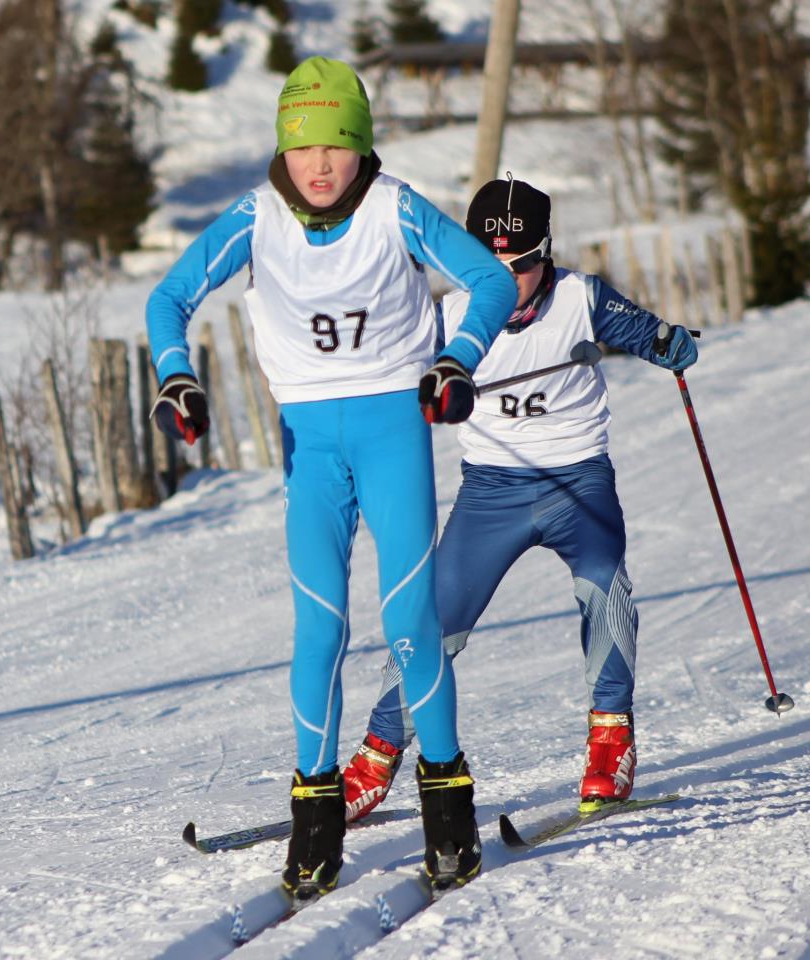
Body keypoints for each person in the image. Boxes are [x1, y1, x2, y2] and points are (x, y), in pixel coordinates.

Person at [145, 58, 518, 897]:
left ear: (361, 147)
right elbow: (167, 298)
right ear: (284, 145)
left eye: (338, 146)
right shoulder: (254, 218)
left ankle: (449, 817)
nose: (319, 165)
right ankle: (315, 831)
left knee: (411, 618)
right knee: (318, 630)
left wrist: (458, 358)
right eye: (304, 145)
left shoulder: (395, 208)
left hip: (393, 428)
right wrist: (176, 374)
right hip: (309, 441)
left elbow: (490, 278)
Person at [343, 173, 699, 822]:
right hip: (491, 493)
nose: (509, 282)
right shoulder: (447, 317)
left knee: (604, 584)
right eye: (490, 266)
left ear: (547, 253)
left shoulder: (581, 300)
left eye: (524, 264)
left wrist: (672, 346)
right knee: (433, 620)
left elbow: (648, 333)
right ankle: (377, 755)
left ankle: (611, 741)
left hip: (578, 482)